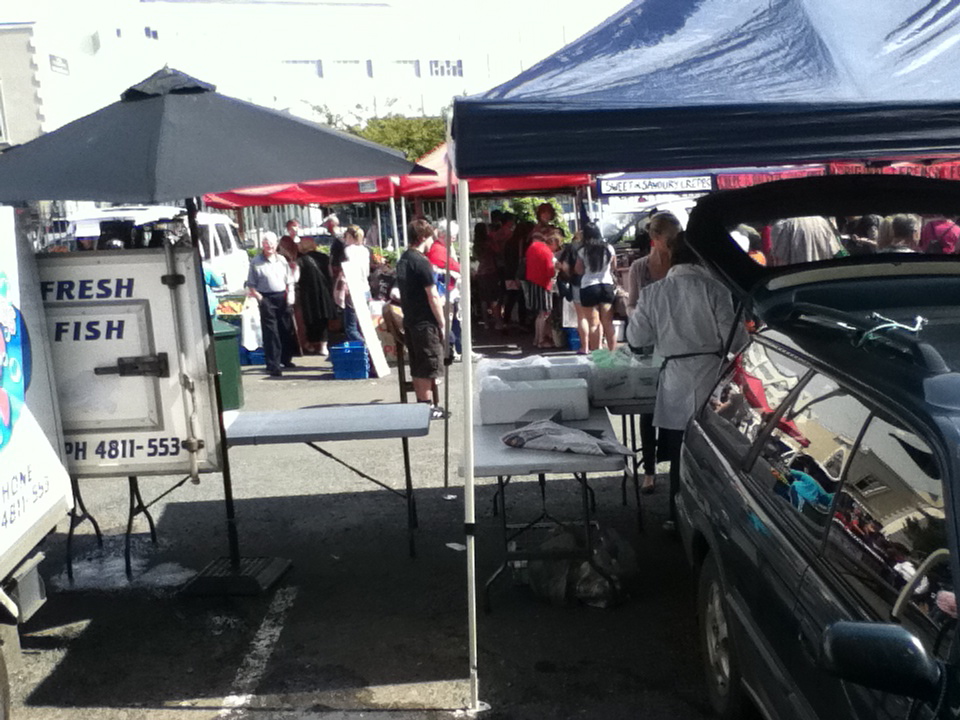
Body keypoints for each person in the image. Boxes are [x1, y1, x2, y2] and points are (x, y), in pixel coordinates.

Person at [626, 231, 747, 530]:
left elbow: (636, 338)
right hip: (711, 378)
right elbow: (739, 339)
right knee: (715, 454)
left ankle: (676, 517)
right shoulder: (716, 289)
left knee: (682, 452)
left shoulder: (653, 293)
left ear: (670, 256)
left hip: (675, 380)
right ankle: (719, 521)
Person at [625, 212, 680, 493]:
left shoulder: (684, 266)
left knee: (677, 410)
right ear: (655, 239)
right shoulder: (640, 268)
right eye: (667, 239)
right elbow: (632, 305)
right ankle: (649, 470)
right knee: (649, 408)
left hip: (678, 346)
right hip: (648, 346)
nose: (670, 244)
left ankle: (677, 469)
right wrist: (648, 319)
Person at [396, 218, 447, 420]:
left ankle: (422, 405)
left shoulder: (404, 260)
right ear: (422, 237)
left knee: (417, 365)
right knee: (428, 364)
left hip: (411, 318)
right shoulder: (421, 262)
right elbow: (432, 295)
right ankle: (428, 408)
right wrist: (442, 321)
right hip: (425, 320)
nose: (432, 242)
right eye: (430, 238)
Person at [245, 232, 297, 377]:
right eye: (266, 243)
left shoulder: (281, 260)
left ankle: (286, 359)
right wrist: (260, 298)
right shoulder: (256, 262)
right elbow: (251, 284)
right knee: (271, 332)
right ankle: (273, 365)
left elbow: (289, 279)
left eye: (272, 243)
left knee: (285, 329)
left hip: (282, 296)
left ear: (276, 244)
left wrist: (291, 293)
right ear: (263, 245)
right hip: (266, 297)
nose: (269, 246)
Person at [575, 221, 618, 351]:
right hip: (606, 285)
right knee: (608, 323)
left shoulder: (583, 250)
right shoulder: (609, 248)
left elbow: (579, 270)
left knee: (593, 324)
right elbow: (614, 266)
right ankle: (613, 354)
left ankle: (598, 357)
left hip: (589, 287)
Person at [524, 226, 558, 348]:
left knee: (539, 314)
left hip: (533, 283)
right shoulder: (546, 251)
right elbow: (550, 271)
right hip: (544, 284)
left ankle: (536, 339)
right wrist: (556, 270)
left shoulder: (530, 249)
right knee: (545, 313)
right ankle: (541, 340)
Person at [769, 216, 840, 265]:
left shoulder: (783, 225)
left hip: (795, 277)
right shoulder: (822, 222)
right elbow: (834, 250)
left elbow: (778, 255)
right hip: (822, 275)